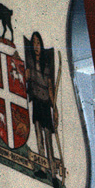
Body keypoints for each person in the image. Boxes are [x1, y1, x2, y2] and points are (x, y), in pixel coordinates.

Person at [26, 31, 57, 168]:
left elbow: (50, 87)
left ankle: (53, 172)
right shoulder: (31, 63)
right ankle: (43, 169)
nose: (36, 46)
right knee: (39, 137)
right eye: (33, 43)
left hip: (45, 104)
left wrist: (54, 108)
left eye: (38, 43)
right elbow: (26, 79)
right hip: (36, 103)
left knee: (48, 138)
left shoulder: (46, 64)